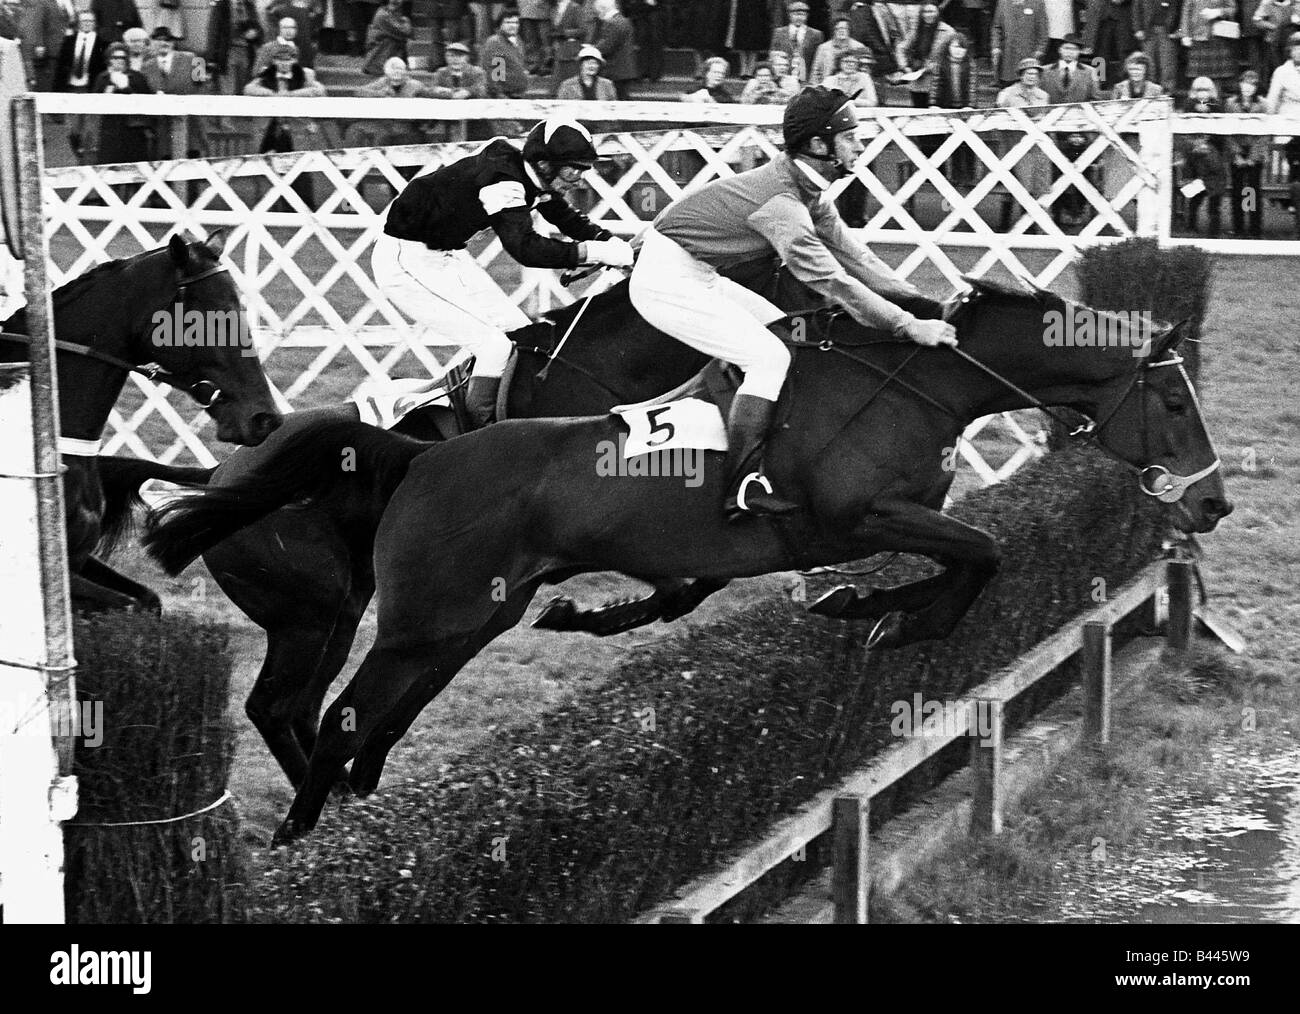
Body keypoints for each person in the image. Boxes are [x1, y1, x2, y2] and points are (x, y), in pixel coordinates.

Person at [629, 86, 957, 520]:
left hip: (694, 271)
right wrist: (907, 326)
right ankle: (740, 486)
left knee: (784, 335)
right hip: (666, 280)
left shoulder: (806, 188)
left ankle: (700, 423)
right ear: (819, 146)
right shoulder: (784, 205)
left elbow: (857, 257)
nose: (860, 145)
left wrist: (924, 304)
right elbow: (835, 283)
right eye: (850, 136)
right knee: (768, 358)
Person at [371, 117, 633, 427]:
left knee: (522, 336)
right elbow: (525, 248)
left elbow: (568, 219)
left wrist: (615, 244)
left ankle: (465, 407)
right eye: (572, 169)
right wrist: (597, 251)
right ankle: (476, 434)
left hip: (446, 254)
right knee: (494, 347)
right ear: (545, 163)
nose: (578, 178)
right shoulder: (503, 180)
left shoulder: (532, 174)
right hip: (406, 260)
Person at [244, 41, 333, 208]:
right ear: (274, 61)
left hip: (297, 129)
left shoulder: (305, 74)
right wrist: (271, 94)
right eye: (280, 60)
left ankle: (304, 207)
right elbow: (248, 89)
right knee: (267, 168)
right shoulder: (266, 75)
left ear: (294, 60)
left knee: (301, 169)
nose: (284, 63)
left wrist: (292, 94)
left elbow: (320, 91)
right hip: (272, 129)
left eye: (288, 60)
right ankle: (269, 207)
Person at [995, 58, 1051, 230]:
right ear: (1020, 75)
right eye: (1028, 73)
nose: (1031, 77)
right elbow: (1000, 115)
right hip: (1013, 144)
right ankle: (1004, 225)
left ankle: (1031, 226)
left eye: (1035, 73)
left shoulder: (1044, 96)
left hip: (1035, 147)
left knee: (1037, 186)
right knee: (1012, 186)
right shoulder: (1007, 94)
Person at [88, 41, 154, 163]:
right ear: (109, 60)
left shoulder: (138, 77)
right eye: (115, 57)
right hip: (110, 132)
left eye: (123, 57)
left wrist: (126, 88)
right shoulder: (102, 79)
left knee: (136, 172)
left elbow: (146, 102)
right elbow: (94, 104)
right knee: (109, 171)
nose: (120, 60)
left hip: (133, 131)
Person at [1225, 69, 1267, 236]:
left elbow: (1265, 133)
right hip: (1237, 150)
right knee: (1238, 191)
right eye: (1245, 83)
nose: (1248, 88)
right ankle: (1238, 228)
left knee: (1252, 191)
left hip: (1254, 152)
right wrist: (1236, 154)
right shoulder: (1230, 104)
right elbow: (1226, 131)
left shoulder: (1263, 105)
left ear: (1256, 87)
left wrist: (1252, 158)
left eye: (1252, 85)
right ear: (1240, 84)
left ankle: (1255, 228)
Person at [1265, 32, 1300, 232]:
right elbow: (1272, 102)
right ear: (1290, 51)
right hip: (1288, 123)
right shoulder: (1281, 72)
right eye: (1296, 48)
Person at [897, 3, 956, 108]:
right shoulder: (916, 30)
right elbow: (901, 48)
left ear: (938, 13)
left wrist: (936, 66)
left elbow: (953, 55)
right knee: (918, 111)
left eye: (931, 11)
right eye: (925, 12)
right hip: (918, 80)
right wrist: (905, 67)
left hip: (937, 81)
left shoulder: (948, 32)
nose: (928, 15)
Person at [1179, 0, 1241, 97]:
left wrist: (1218, 12)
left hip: (1218, 38)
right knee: (1197, 82)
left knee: (1216, 81)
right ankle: (1197, 108)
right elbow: (1186, 11)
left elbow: (1233, 8)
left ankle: (1215, 107)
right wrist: (1185, 35)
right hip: (1197, 38)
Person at [207, 0, 263, 98]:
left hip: (246, 53)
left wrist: (255, 33)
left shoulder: (249, 6)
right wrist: (212, 58)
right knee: (228, 92)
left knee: (244, 91)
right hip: (227, 53)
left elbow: (259, 29)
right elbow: (213, 32)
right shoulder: (221, 5)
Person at [991, 0, 1048, 86]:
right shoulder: (1003, 2)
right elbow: (996, 27)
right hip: (1007, 57)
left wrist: (1040, 50)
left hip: (1029, 56)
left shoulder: (1037, 3)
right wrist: (996, 46)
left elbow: (1043, 30)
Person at [589, 0, 636, 99]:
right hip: (623, 70)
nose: (598, 15)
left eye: (598, 12)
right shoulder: (623, 20)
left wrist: (591, 49)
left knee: (617, 101)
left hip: (615, 70)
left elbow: (607, 46)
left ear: (603, 9)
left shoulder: (613, 23)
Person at [1081, 0, 1136, 83]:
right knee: (1100, 53)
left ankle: (1126, 83)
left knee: (1124, 52)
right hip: (1101, 19)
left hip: (1123, 18)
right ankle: (1100, 81)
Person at [1134, 0, 1183, 92]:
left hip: (1168, 32)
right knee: (1149, 63)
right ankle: (1149, 92)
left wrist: (1179, 30)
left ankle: (1167, 93)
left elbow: (1181, 10)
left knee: (1167, 64)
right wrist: (1138, 28)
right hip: (1148, 31)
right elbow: (1136, 9)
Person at [770, 1, 823, 82]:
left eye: (802, 15)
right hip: (784, 76)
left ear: (807, 16)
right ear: (789, 15)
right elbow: (772, 53)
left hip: (806, 77)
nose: (798, 18)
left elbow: (818, 58)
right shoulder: (779, 32)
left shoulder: (816, 34)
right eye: (795, 14)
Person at [481, 8, 529, 96]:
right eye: (508, 22)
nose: (513, 26)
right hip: (505, 95)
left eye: (515, 23)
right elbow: (493, 73)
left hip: (519, 92)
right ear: (500, 25)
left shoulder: (518, 40)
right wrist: (500, 95)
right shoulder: (495, 42)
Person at [809, 15, 867, 84]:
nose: (841, 31)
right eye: (838, 28)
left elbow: (864, 73)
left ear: (850, 30)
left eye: (845, 28)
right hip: (827, 88)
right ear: (833, 30)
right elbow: (815, 72)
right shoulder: (823, 48)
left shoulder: (859, 47)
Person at [266, 0, 321, 67]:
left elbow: (317, 19)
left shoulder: (309, 7)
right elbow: (270, 12)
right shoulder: (283, 8)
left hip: (302, 40)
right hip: (292, 40)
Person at [361, 0, 411, 74]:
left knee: (402, 42)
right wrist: (406, 21)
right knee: (396, 40)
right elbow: (404, 32)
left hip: (385, 57)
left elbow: (406, 33)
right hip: (377, 61)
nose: (396, 1)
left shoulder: (393, 13)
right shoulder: (383, 15)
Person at [428, 0, 469, 70]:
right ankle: (440, 62)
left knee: (449, 38)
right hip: (448, 9)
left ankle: (442, 62)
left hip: (450, 9)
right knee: (442, 38)